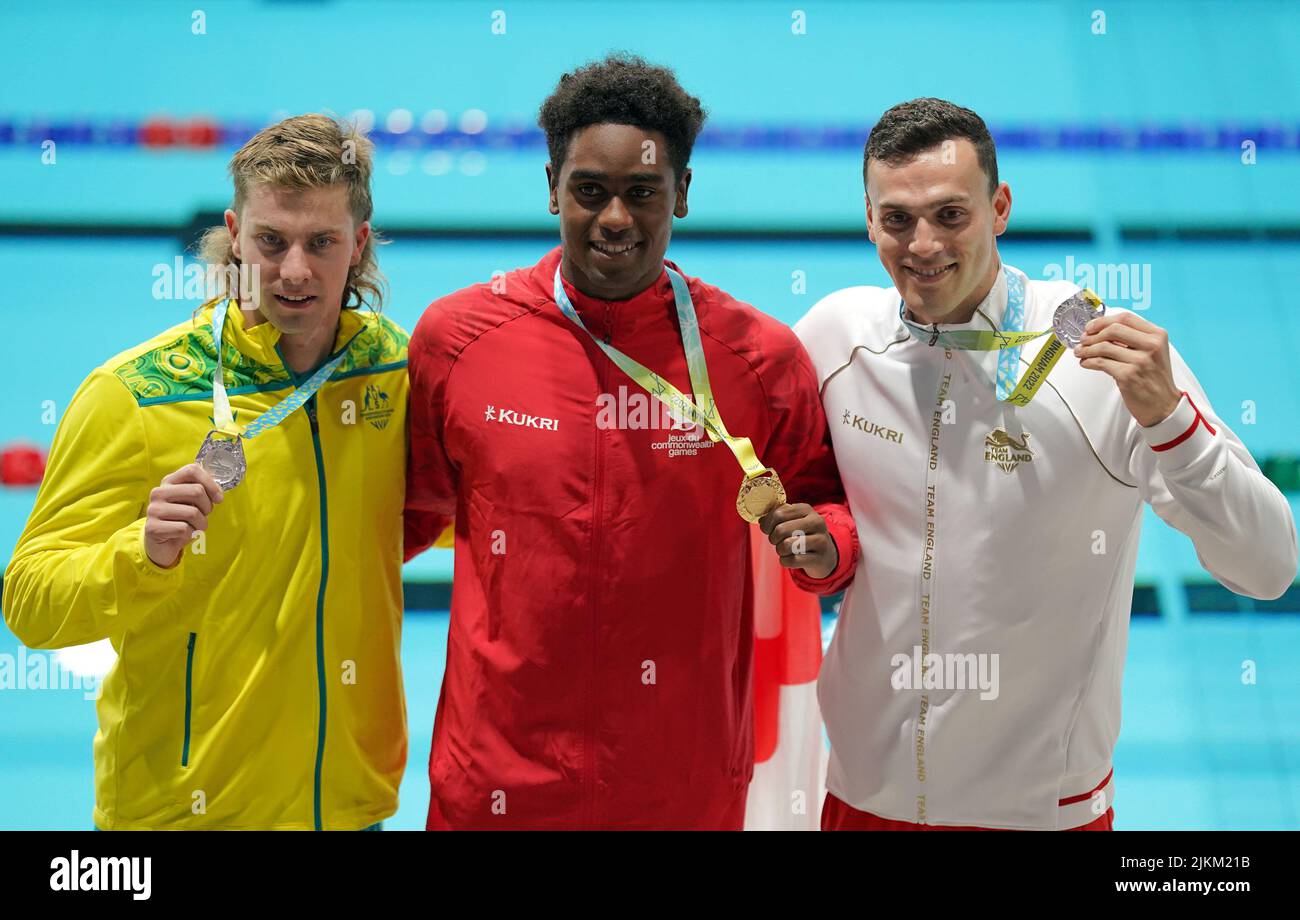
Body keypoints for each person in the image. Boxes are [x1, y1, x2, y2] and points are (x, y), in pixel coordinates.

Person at [791, 97, 1298, 831]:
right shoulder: (838, 337)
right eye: (896, 218)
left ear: (1000, 208)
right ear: (868, 219)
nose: (922, 244)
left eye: (950, 215)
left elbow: (1269, 565)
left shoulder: (1098, 354)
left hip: (1038, 815)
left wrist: (1171, 422)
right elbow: (802, 501)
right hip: (862, 801)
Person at [404, 53, 855, 830]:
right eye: (590, 191)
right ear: (552, 187)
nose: (615, 219)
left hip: (678, 782)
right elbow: (395, 520)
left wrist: (824, 548)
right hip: (497, 780)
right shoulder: (461, 341)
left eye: (642, 193)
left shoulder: (756, 358)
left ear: (681, 191)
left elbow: (829, 514)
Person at [3, 114, 412, 830]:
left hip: (349, 812)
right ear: (234, 232)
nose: (293, 271)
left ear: (360, 245)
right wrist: (142, 554)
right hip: (182, 819)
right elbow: (30, 602)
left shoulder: (397, 376)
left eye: (322, 243)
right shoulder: (136, 394)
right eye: (271, 241)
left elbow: (453, 516)